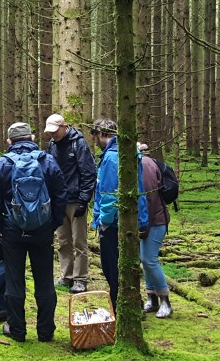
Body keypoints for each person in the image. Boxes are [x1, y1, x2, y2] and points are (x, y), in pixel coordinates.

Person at [0, 122, 68, 343]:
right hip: (42, 230)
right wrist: (52, 224)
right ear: (32, 138)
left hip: (13, 231)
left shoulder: (2, 164)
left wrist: (2, 227)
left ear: (9, 141)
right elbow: (61, 195)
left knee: (14, 281)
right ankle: (45, 331)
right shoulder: (47, 161)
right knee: (45, 280)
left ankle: (17, 330)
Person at [89, 118, 148, 305]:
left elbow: (108, 193)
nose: (95, 142)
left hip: (115, 222)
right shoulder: (125, 151)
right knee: (125, 264)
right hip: (129, 218)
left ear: (100, 134)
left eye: (95, 137)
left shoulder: (112, 157)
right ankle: (131, 301)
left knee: (112, 267)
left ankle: (120, 304)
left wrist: (104, 222)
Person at [43, 113, 97, 294]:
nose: (52, 135)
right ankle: (66, 276)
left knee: (79, 242)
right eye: (50, 132)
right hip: (58, 201)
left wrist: (84, 199)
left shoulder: (78, 143)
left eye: (55, 131)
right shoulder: (51, 145)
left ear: (64, 127)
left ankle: (80, 278)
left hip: (76, 200)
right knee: (63, 241)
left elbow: (88, 172)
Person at [139, 155, 172, 318]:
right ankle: (152, 299)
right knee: (144, 259)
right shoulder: (139, 163)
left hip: (156, 221)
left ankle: (165, 301)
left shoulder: (144, 165)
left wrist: (145, 225)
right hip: (147, 221)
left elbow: (149, 197)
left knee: (149, 260)